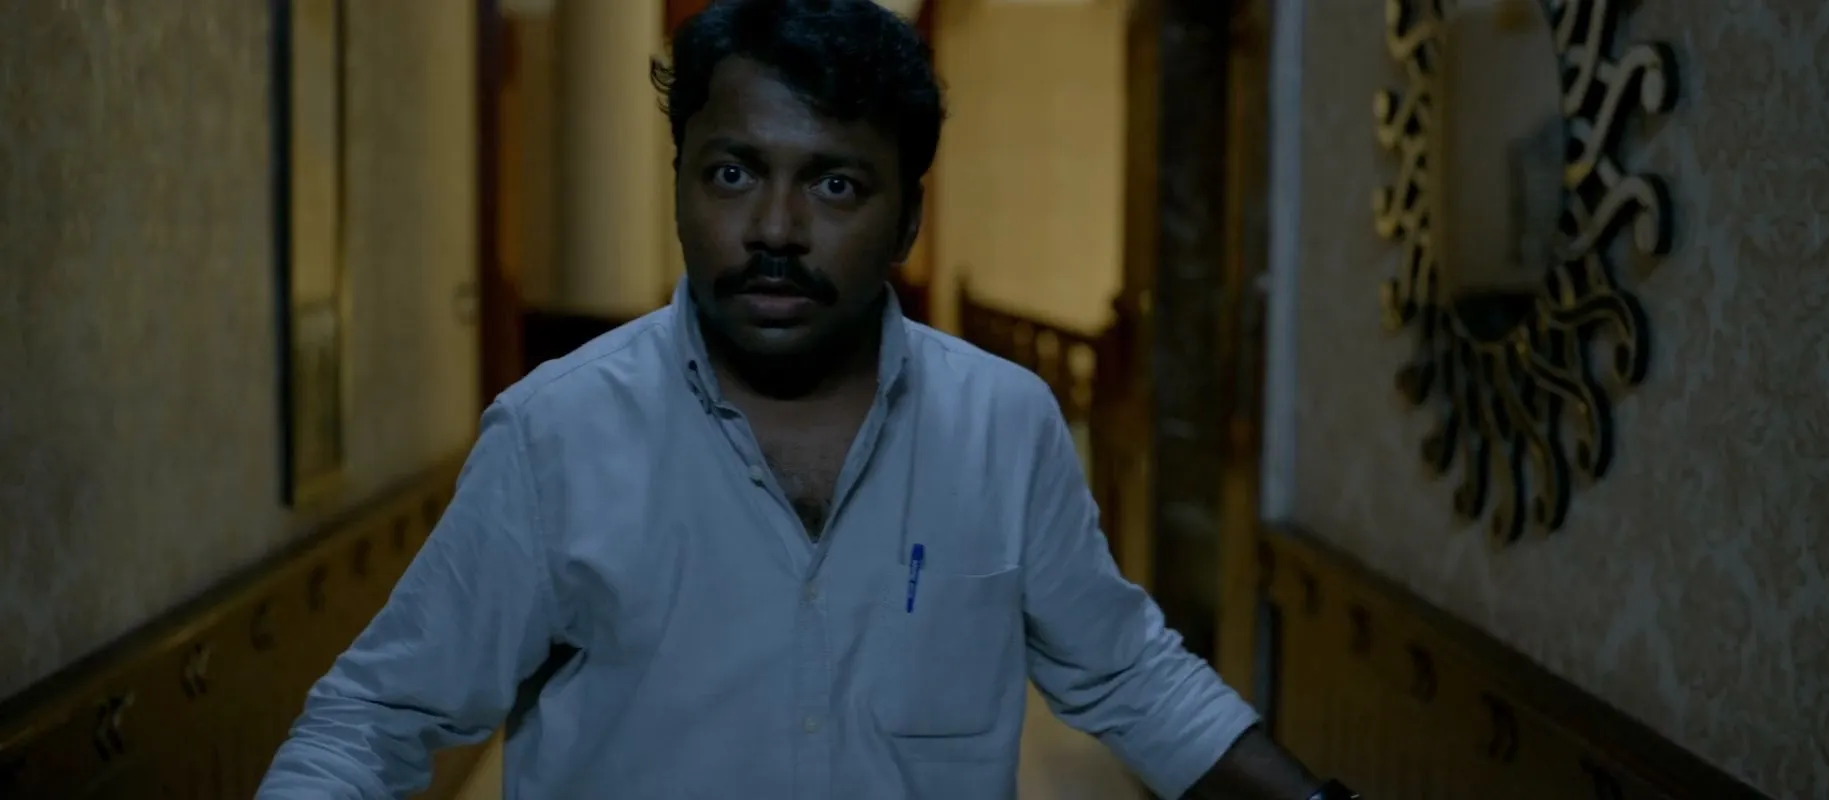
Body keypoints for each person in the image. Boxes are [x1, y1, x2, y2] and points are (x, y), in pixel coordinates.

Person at [259, 1, 1353, 798]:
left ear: (908, 218)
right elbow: (371, 721)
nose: (775, 229)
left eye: (834, 183)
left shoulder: (1004, 425)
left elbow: (1129, 675)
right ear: (680, 185)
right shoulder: (556, 433)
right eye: (733, 173)